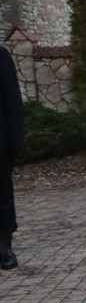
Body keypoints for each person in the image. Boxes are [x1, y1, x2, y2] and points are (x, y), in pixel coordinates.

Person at [0, 45, 23, 270]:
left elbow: (13, 101)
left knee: (2, 194)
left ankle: (4, 245)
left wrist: (15, 141)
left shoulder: (1, 56)